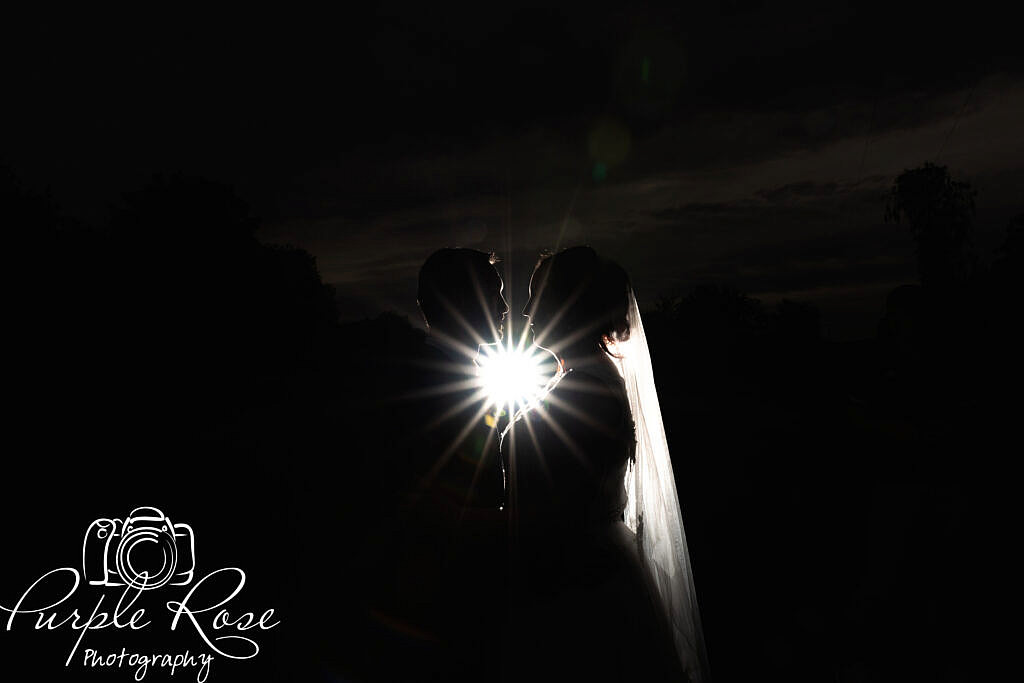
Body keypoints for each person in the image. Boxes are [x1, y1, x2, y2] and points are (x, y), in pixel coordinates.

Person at [501, 246, 707, 683]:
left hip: (575, 587)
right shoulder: (584, 382)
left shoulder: (584, 393)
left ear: (566, 306)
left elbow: (559, 510)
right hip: (583, 573)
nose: (523, 310)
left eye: (535, 296)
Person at [360, 247, 509, 682]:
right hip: (441, 596)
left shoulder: (456, 374)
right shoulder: (430, 384)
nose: (503, 308)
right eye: (493, 294)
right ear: (463, 302)